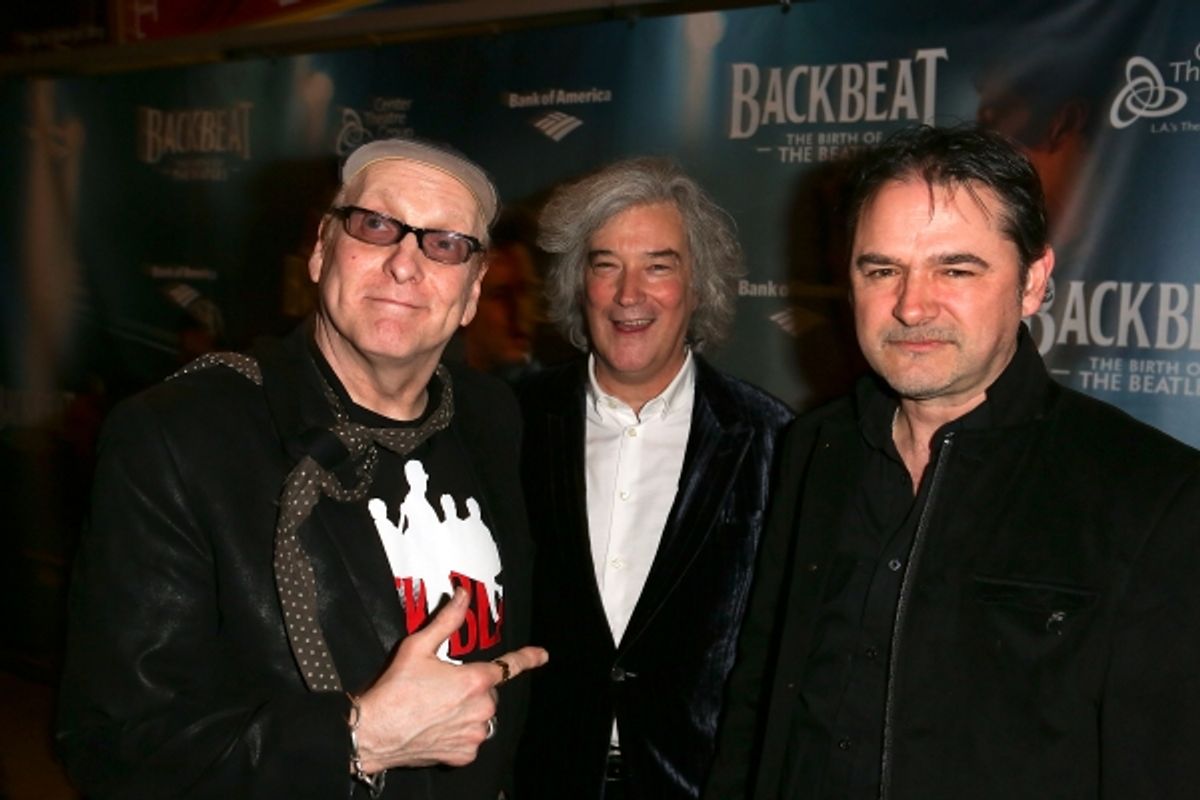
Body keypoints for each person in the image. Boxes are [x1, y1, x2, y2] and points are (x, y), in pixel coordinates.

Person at [704, 124, 1200, 800]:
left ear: (1033, 282)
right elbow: (758, 699)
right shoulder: (815, 450)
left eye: (955, 269)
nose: (911, 304)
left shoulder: (1151, 494)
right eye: (881, 270)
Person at [56, 137, 548, 799]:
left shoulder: (490, 417)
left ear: (470, 293)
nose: (405, 263)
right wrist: (357, 735)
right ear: (321, 250)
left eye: (444, 243)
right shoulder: (179, 437)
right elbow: (115, 745)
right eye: (377, 226)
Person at [514, 157, 793, 799]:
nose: (628, 294)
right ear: (577, 283)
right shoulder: (511, 425)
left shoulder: (773, 441)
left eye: (658, 266)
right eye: (605, 264)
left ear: (699, 285)